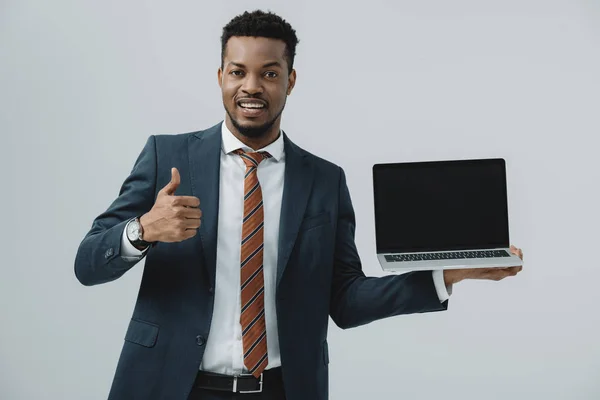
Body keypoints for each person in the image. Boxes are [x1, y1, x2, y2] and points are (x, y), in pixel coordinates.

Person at [74, 9, 524, 400]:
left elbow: (346, 300)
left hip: (283, 391)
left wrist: (448, 275)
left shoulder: (324, 181)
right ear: (220, 77)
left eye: (269, 73)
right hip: (168, 387)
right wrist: (143, 231)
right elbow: (88, 264)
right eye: (237, 72)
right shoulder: (166, 157)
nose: (251, 87)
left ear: (290, 80)